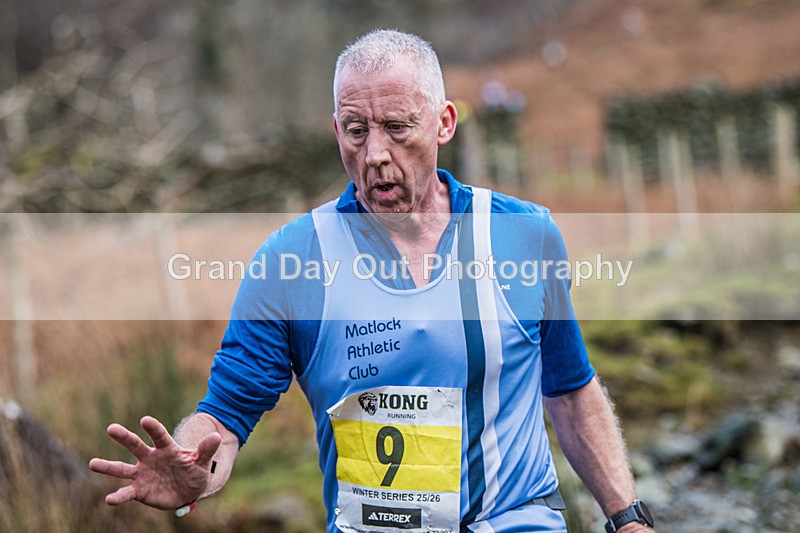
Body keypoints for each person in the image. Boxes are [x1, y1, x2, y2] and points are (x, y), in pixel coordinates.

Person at [90, 29, 655, 533]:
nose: (375, 153)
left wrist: (627, 519)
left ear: (444, 122)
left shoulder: (520, 236)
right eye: (356, 130)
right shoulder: (292, 260)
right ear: (336, 129)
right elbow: (226, 415)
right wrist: (193, 472)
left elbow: (570, 388)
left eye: (396, 127)